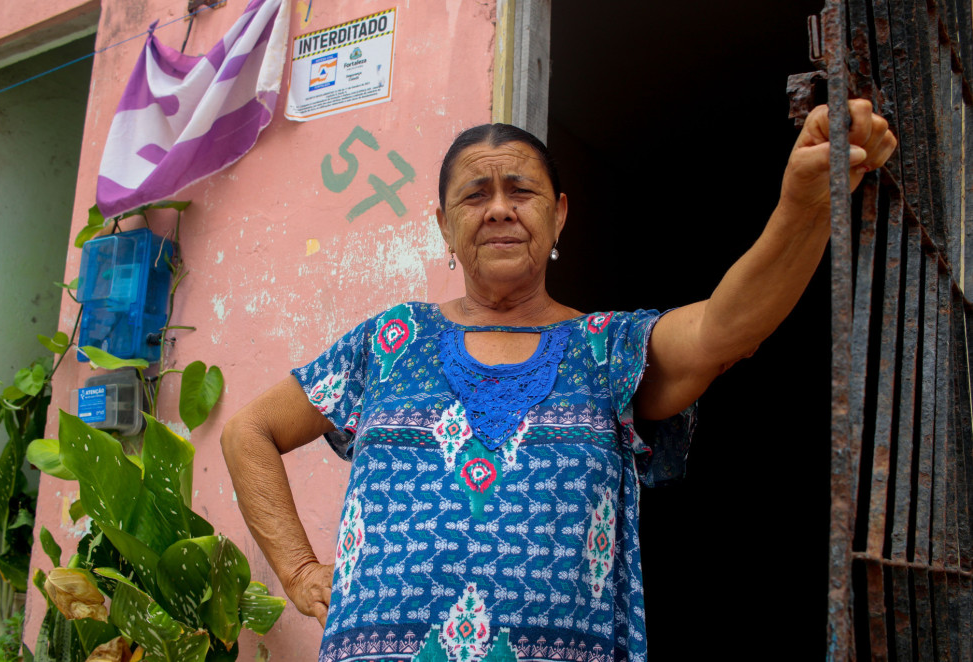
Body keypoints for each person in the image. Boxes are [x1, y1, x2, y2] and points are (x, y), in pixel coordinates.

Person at [221, 100, 896, 662]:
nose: (498, 208)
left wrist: (805, 205)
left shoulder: (604, 349)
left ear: (559, 215)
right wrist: (300, 570)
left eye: (520, 190)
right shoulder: (388, 341)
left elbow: (727, 329)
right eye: (474, 194)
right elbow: (248, 431)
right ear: (443, 227)